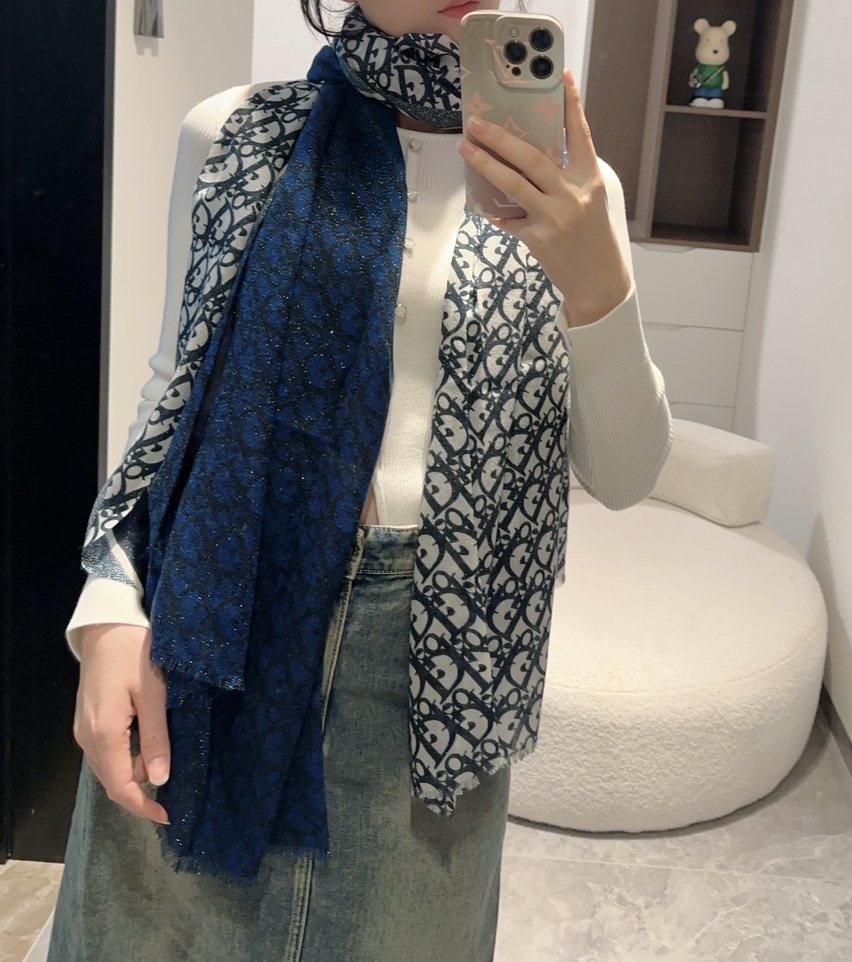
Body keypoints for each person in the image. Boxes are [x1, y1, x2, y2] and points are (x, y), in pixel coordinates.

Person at [47, 1, 672, 959]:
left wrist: (597, 284)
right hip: (212, 634)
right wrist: (107, 610)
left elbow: (625, 476)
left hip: (437, 673)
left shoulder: (577, 190)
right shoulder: (235, 133)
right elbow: (173, 392)